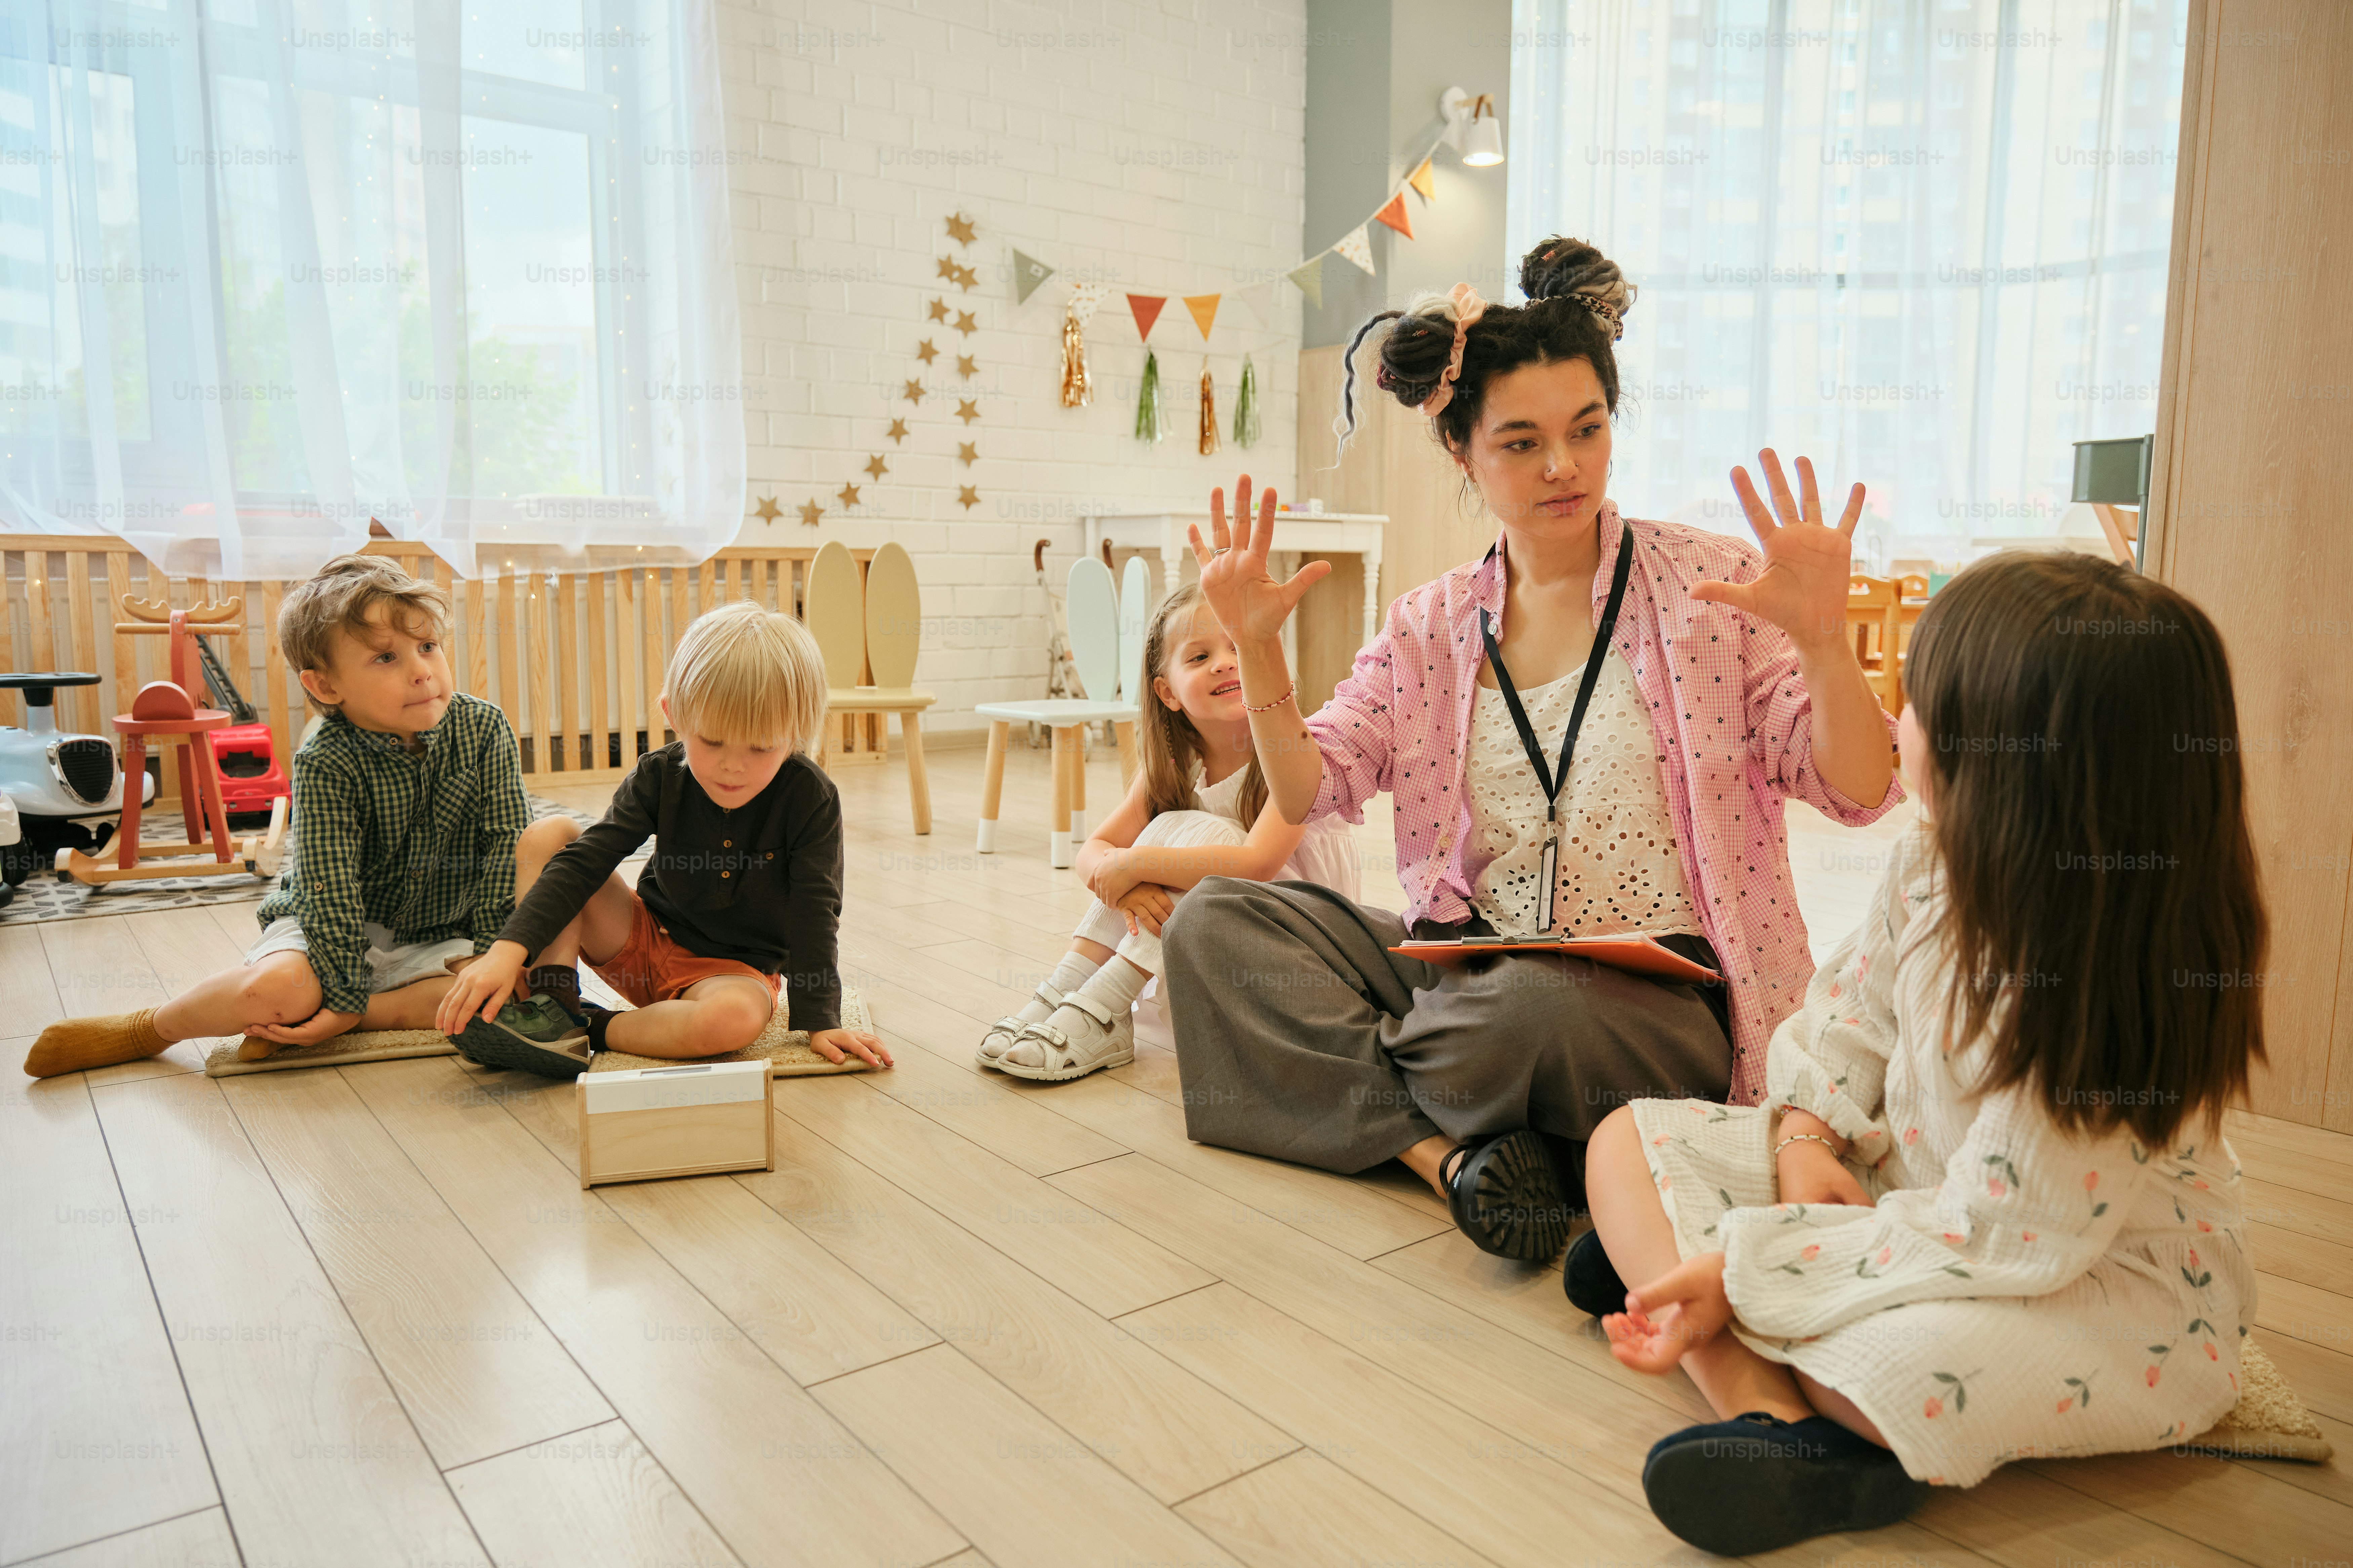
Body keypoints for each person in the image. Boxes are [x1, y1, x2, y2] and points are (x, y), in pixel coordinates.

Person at [1163, 235, 1904, 1261]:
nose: (1564, 466)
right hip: (1470, 971)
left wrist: (1825, 645)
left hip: (1655, 1000)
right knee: (1213, 923)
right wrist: (1255, 647)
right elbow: (1305, 788)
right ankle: (1465, 1158)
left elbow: (1860, 788)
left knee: (1531, 1013)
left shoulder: (1710, 585)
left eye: (1587, 430)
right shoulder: (1429, 625)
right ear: (1461, 451)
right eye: (1521, 443)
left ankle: (1404, 1108)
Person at [1582, 552, 2262, 1554]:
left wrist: (1751, 1269)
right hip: (1904, 1189)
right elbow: (1847, 1016)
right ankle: (1757, 1392)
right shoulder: (1926, 856)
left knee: (1884, 1366)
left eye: (1922, 709)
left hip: (2075, 1279)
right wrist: (1804, 1140)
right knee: (1622, 1141)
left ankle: (1737, 1358)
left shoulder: (2094, 988)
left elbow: (2001, 1237)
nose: (1899, 721)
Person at [22, 554, 531, 1077]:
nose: (423, 671)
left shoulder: (484, 728)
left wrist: (490, 954)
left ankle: (350, 1019)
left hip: (439, 931)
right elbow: (330, 889)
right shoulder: (326, 758)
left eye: (428, 647)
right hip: (328, 925)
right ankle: (149, 1028)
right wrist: (341, 990)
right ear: (326, 687)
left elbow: (507, 850)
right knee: (278, 991)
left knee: (501, 996)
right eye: (386, 658)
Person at [435, 598, 891, 1077]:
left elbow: (816, 912)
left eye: (761, 747)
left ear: (796, 735)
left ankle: (584, 1029)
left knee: (732, 1021)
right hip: (640, 942)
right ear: (675, 714)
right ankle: (554, 1004)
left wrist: (821, 1021)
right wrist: (507, 951)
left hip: (731, 977)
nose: (733, 766)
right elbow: (585, 862)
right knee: (550, 835)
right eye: (712, 741)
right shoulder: (659, 774)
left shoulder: (810, 797)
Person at [980, 580, 1358, 1082]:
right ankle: (1067, 988)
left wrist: (1134, 864)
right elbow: (1093, 852)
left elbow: (1256, 864)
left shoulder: (1297, 756)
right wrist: (1129, 886)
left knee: (1207, 836)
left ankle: (1105, 1004)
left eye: (1239, 647)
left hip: (1298, 954)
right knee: (1168, 830)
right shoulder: (1178, 763)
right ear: (1168, 693)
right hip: (1220, 939)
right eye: (1200, 657)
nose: (1224, 663)